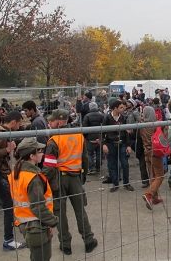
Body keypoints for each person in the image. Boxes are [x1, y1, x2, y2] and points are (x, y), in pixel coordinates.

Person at [42, 109, 98, 255]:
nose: (49, 123)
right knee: (80, 210)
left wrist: (42, 182)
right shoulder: (79, 135)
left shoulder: (54, 140)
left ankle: (65, 244)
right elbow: (85, 158)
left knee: (59, 212)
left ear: (60, 122)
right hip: (75, 177)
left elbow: (49, 166)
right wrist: (83, 174)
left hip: (58, 179)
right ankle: (88, 240)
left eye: (52, 121)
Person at [9, 137, 58, 261]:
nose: (42, 154)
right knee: (42, 257)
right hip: (37, 224)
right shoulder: (33, 178)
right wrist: (52, 221)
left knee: (36, 255)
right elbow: (38, 206)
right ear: (32, 155)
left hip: (23, 221)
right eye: (40, 151)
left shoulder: (16, 173)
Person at [0, 110, 27, 250]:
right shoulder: (1, 135)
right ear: (13, 122)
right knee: (8, 206)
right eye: (18, 124)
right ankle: (8, 240)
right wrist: (7, 149)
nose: (18, 128)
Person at [101, 100, 134, 192]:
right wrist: (103, 144)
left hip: (122, 143)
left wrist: (128, 145)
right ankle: (115, 184)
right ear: (115, 108)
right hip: (111, 144)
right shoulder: (107, 118)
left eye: (123, 107)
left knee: (125, 164)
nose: (123, 109)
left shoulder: (123, 118)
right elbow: (102, 132)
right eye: (121, 107)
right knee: (112, 165)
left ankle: (126, 183)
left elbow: (126, 132)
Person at [140, 107, 165, 210]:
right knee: (160, 176)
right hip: (155, 154)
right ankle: (148, 194)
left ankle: (154, 198)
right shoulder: (155, 125)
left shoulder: (141, 125)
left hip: (146, 153)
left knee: (153, 176)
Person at [83, 102, 105, 174]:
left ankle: (91, 168)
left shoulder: (87, 116)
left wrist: (85, 137)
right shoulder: (101, 115)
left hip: (90, 138)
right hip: (99, 137)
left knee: (89, 153)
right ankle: (98, 168)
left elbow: (84, 128)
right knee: (98, 153)